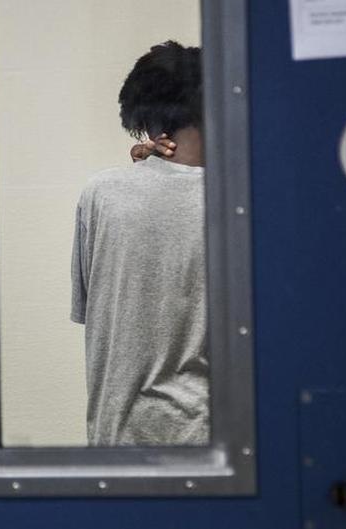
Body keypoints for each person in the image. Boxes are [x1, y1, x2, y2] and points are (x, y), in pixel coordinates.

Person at [70, 41, 208, 446]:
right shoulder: (242, 202)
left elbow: (91, 311)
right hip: (212, 445)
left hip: (114, 440)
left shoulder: (99, 194)